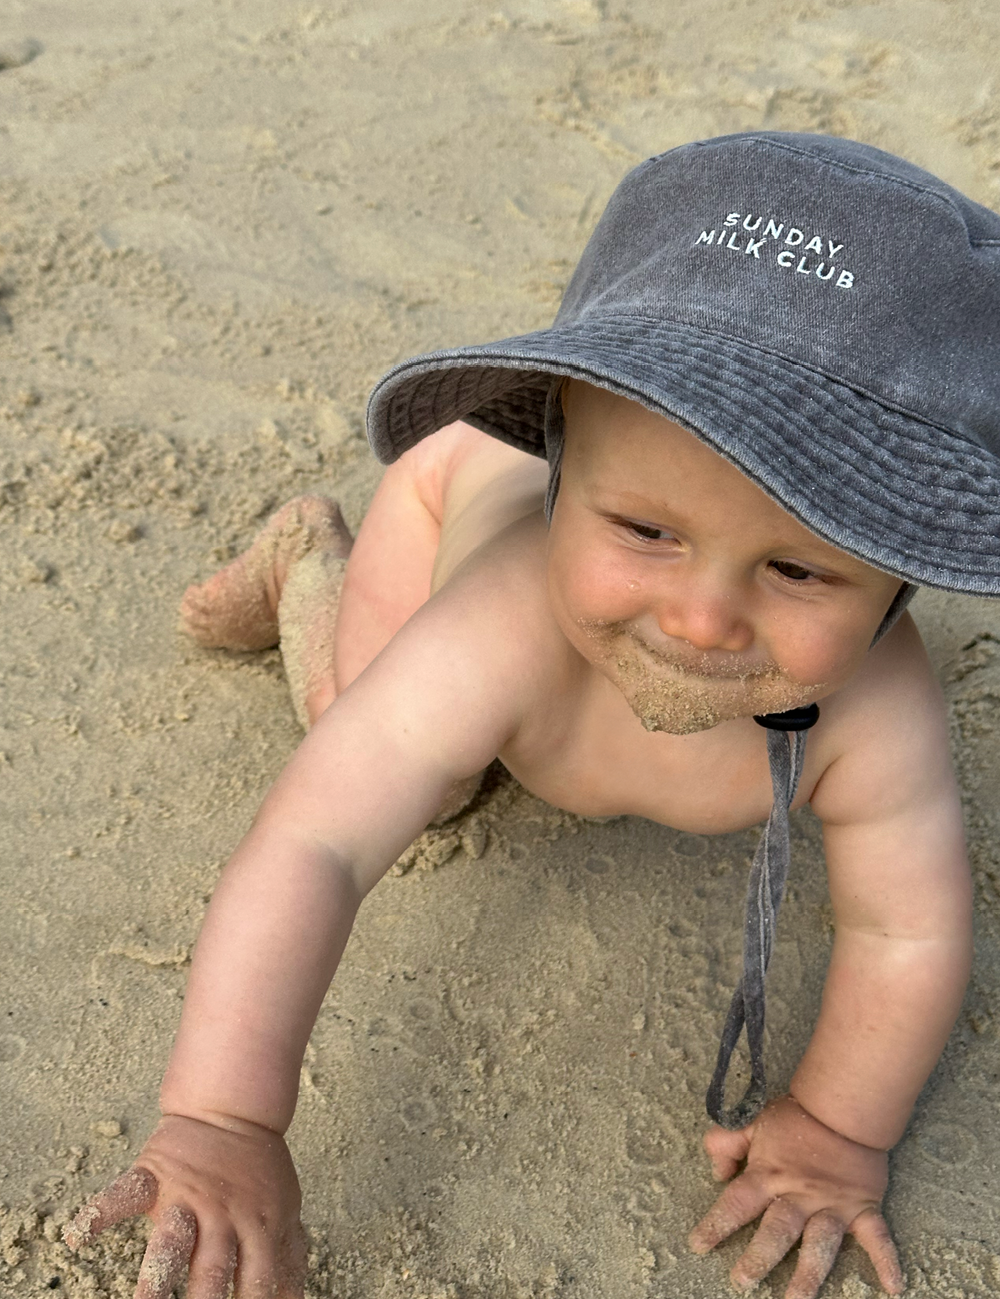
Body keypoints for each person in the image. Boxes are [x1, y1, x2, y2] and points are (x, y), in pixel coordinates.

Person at [64, 132, 1000, 1299]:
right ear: (559, 460)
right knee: (404, 763)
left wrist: (837, 1131)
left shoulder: (880, 705)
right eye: (645, 531)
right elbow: (317, 843)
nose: (704, 618)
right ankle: (315, 555)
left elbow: (902, 933)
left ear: (898, 576)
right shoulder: (498, 630)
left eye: (799, 571)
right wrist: (224, 1118)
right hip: (446, 493)